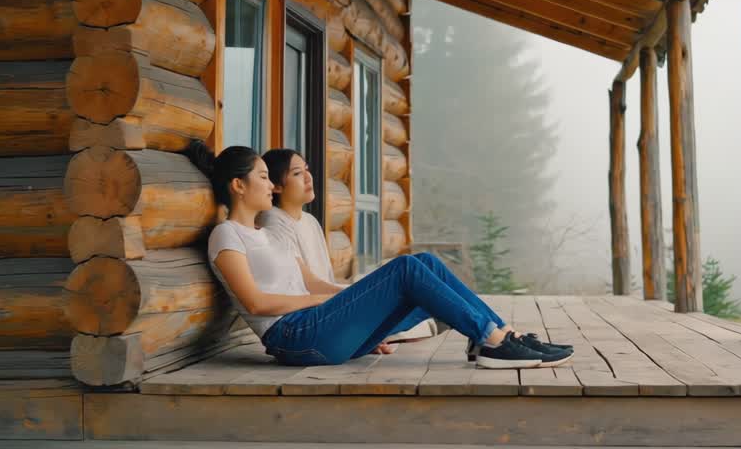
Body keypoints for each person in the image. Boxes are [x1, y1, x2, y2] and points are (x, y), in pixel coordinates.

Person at [185, 141, 572, 370]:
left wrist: (354, 300)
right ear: (238, 185)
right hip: (293, 338)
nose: (271, 186)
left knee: (425, 265)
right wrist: (330, 301)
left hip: (319, 325)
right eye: (264, 177)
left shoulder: (267, 233)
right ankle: (492, 340)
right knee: (405, 268)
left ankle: (496, 334)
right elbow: (255, 301)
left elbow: (313, 282)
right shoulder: (227, 235)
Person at [256, 148, 437, 343]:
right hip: (316, 318)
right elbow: (307, 285)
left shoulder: (309, 221)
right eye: (297, 173)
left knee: (427, 281)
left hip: (333, 308)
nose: (308, 177)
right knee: (416, 281)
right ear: (276, 186)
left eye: (307, 170)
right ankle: (375, 336)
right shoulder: (273, 222)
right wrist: (359, 297)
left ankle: (374, 337)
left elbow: (324, 278)